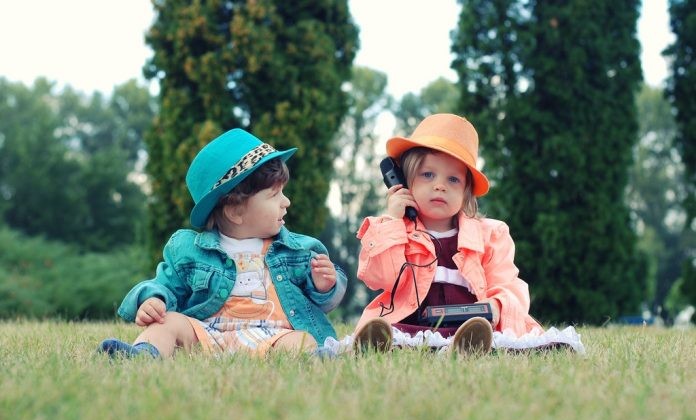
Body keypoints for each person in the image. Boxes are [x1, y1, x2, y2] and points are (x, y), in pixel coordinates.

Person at [98, 128, 347, 358]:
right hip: (207, 334)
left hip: (274, 336)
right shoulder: (190, 250)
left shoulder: (297, 250)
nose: (286, 202)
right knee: (168, 322)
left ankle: (315, 358)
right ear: (235, 211)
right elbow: (165, 284)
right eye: (274, 195)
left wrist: (324, 287)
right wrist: (154, 300)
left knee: (301, 340)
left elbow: (323, 303)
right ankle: (144, 354)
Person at [352, 113, 543, 354]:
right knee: (395, 335)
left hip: (471, 327)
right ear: (403, 182)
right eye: (428, 174)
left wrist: (496, 305)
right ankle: (381, 345)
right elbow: (379, 277)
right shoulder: (394, 230)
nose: (439, 185)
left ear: (466, 192)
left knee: (488, 336)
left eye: (453, 179)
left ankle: (466, 347)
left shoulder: (490, 235)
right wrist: (393, 222)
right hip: (412, 326)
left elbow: (508, 284)